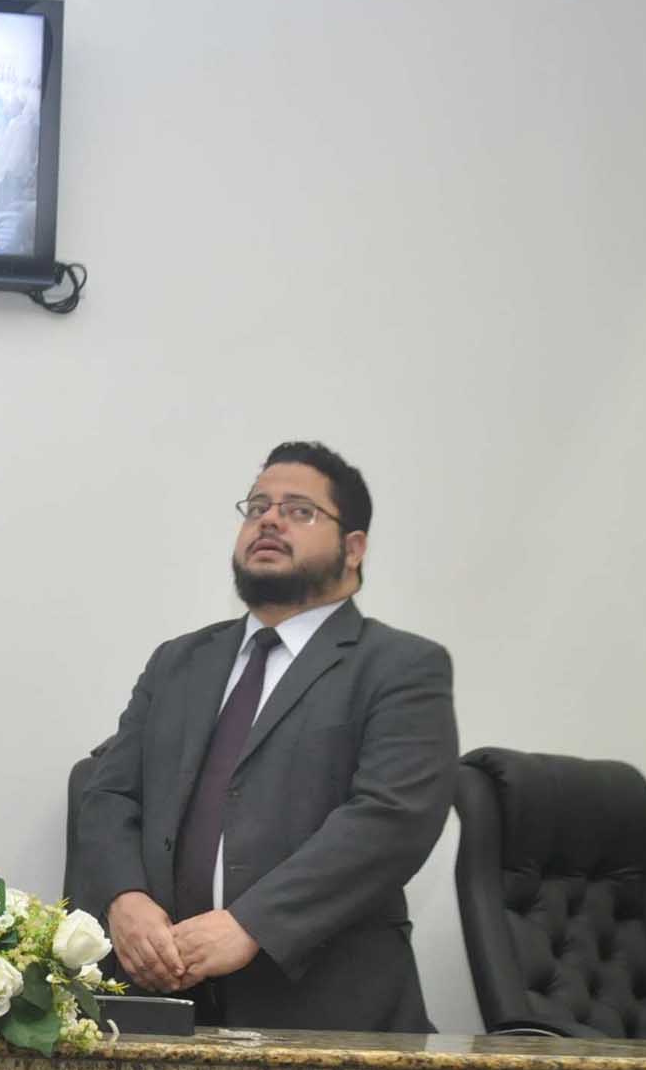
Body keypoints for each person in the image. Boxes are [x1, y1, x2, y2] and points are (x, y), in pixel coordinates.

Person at [75, 442, 456, 1031]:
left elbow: (392, 818)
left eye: (300, 510)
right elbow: (110, 795)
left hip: (328, 1012)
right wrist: (124, 899)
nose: (270, 520)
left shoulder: (400, 666)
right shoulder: (178, 661)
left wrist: (252, 923)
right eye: (257, 508)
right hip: (165, 1005)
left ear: (354, 548)